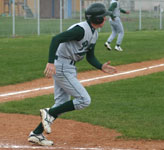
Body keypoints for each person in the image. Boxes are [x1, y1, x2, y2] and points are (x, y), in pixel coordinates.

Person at [27, 3, 117, 146]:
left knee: (61, 104)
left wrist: (100, 66)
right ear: (98, 19)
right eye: (104, 17)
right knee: (84, 100)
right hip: (62, 66)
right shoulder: (80, 30)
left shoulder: (94, 33)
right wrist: (50, 62)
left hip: (67, 67)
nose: (105, 19)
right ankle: (48, 112)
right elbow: (55, 39)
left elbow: (90, 56)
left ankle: (36, 134)